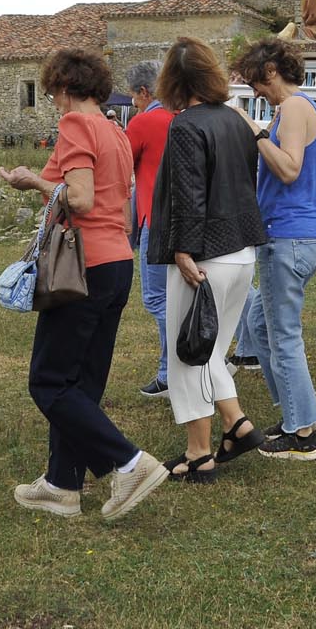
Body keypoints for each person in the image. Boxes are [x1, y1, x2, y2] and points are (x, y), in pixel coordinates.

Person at [0, 48, 169, 522]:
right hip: (117, 263)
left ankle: (128, 463)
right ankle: (61, 484)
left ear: (62, 87)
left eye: (51, 92)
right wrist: (32, 178)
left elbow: (80, 197)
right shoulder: (115, 129)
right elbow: (81, 180)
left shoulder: (76, 124)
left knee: (49, 382)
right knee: (82, 382)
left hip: (84, 266)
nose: (53, 102)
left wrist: (31, 181)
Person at [147, 37, 270, 481]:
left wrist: (182, 248)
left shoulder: (184, 126)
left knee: (190, 355)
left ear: (173, 81)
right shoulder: (237, 121)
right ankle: (236, 425)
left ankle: (199, 453)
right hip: (241, 252)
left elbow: (189, 194)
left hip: (204, 256)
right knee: (213, 351)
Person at [233, 38, 316, 461]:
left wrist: (254, 131)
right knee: (259, 325)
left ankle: (302, 435)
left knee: (284, 335)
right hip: (304, 234)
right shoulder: (314, 109)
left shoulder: (293, 108)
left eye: (255, 82)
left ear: (270, 71)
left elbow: (289, 169)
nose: (255, 91)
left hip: (288, 235)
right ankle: (300, 411)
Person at [125, 60, 177, 398]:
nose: (133, 102)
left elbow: (120, 164)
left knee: (157, 299)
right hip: (186, 219)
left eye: (133, 96)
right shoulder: (184, 118)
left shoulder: (144, 122)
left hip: (153, 219)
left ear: (144, 92)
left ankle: (171, 370)